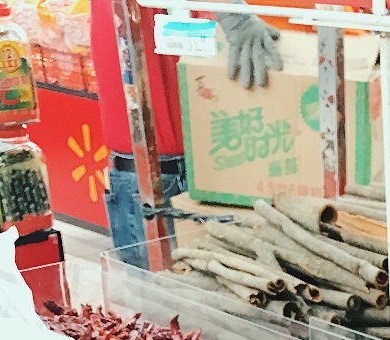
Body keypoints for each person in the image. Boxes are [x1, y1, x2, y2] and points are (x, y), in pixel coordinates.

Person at [90, 0, 284, 266]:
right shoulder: (127, 14)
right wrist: (233, 13)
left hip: (221, 161)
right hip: (151, 172)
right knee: (158, 289)